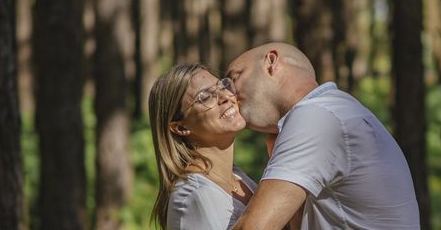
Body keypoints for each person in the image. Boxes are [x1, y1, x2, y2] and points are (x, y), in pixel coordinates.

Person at [227, 42, 420, 230]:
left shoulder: (316, 116)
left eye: (234, 78)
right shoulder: (336, 109)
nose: (228, 95)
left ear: (271, 62)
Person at [148, 62, 256, 230]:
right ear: (181, 127)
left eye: (222, 86)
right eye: (205, 97)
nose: (225, 96)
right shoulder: (194, 194)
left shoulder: (237, 177)